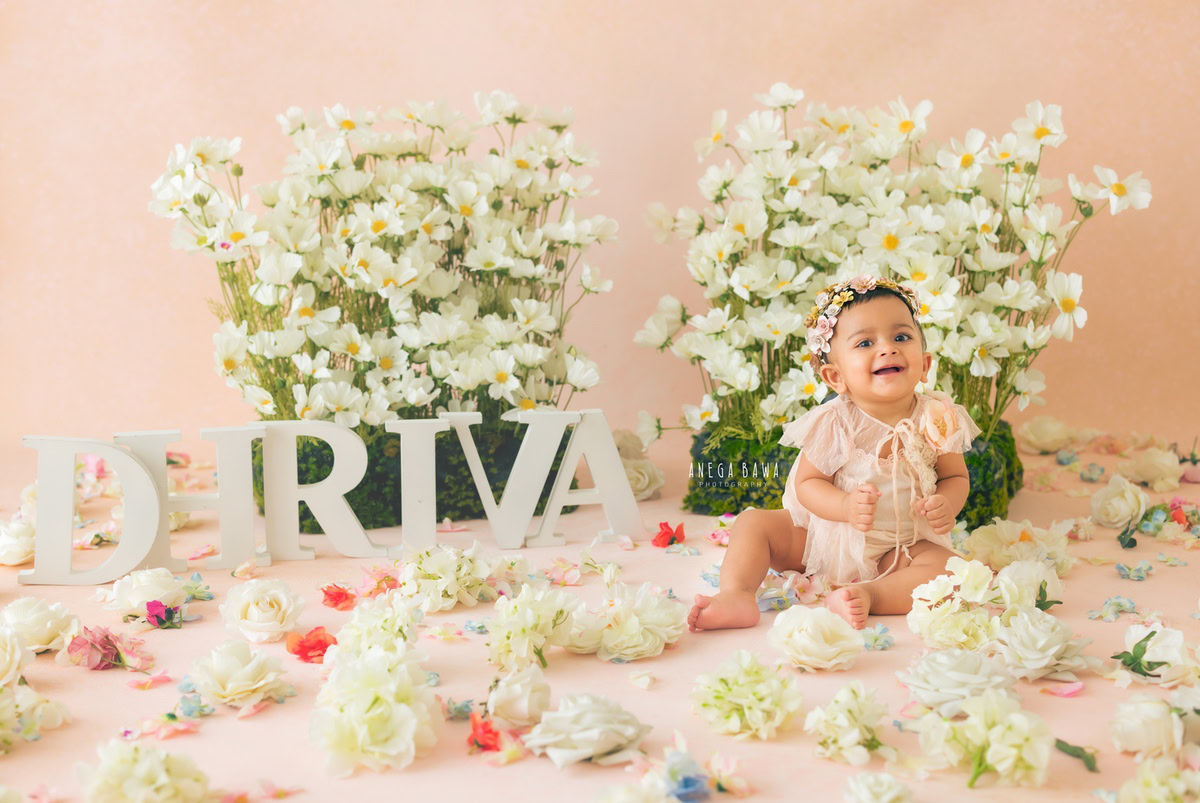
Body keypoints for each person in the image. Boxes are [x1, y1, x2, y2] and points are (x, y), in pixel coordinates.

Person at [688, 274, 980, 632]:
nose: (887, 348)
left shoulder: (937, 417)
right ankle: (736, 595)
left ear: (925, 364)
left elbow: (955, 476)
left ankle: (870, 594)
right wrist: (844, 506)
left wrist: (948, 502)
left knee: (948, 572)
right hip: (822, 539)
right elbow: (809, 483)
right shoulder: (837, 421)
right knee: (754, 523)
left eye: (901, 337)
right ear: (835, 376)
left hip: (902, 546)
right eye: (865, 343)